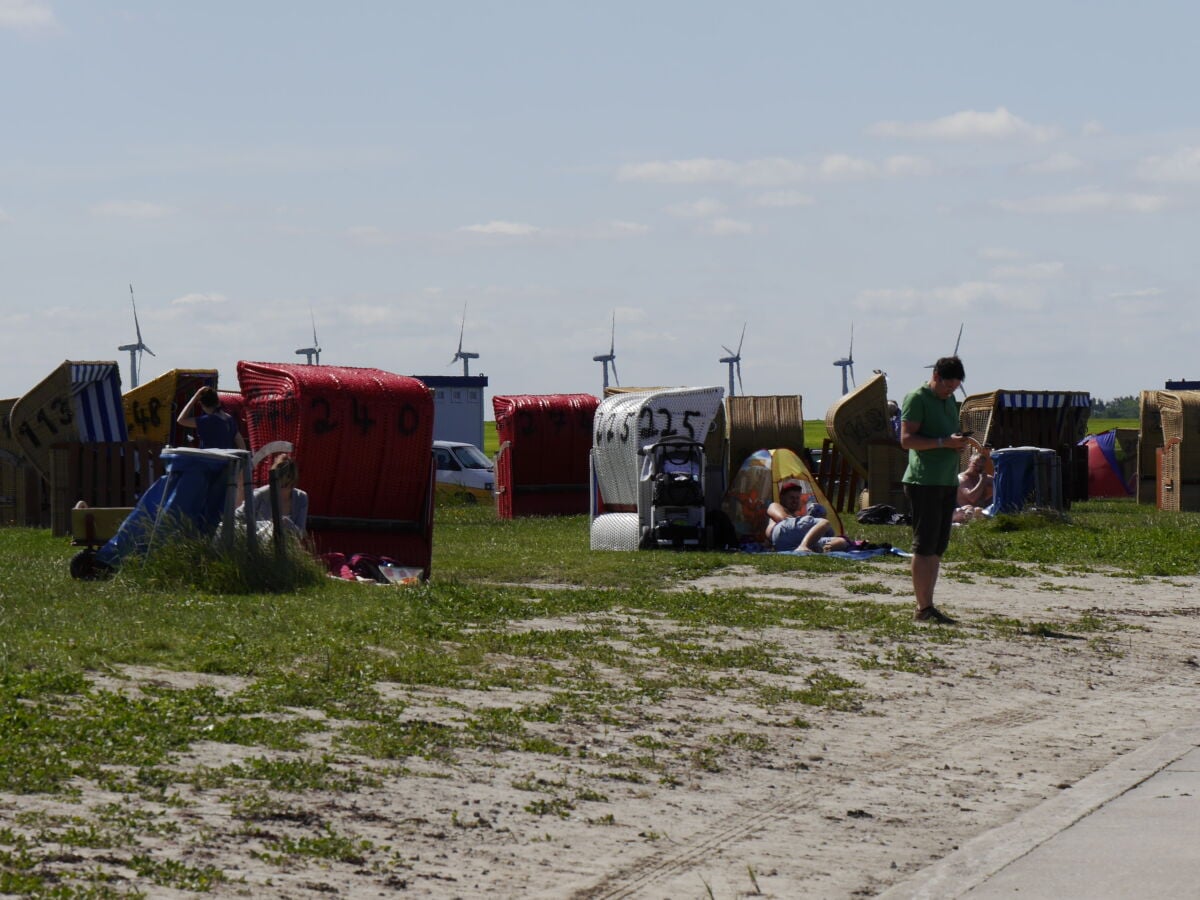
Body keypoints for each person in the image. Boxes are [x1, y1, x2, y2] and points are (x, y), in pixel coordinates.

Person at [900, 356, 968, 624]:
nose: (950, 391)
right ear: (936, 376)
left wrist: (958, 443)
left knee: (937, 548)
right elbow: (906, 440)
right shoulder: (916, 398)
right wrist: (943, 443)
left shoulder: (950, 400)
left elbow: (949, 436)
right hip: (923, 482)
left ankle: (928, 605)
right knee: (923, 546)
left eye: (955, 388)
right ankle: (922, 606)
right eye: (947, 386)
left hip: (947, 480)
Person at [765, 481, 850, 553]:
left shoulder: (797, 520)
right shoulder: (775, 505)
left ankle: (817, 549)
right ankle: (803, 546)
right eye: (791, 498)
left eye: (797, 498)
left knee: (842, 542)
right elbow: (783, 519)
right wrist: (812, 522)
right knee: (824, 522)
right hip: (782, 532)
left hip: (790, 543)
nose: (795, 501)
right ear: (782, 498)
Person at [236, 453, 308, 537]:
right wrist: (268, 525)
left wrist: (287, 524)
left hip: (288, 546)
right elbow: (236, 517)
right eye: (280, 485)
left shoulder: (301, 497)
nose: (283, 490)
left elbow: (301, 533)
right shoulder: (260, 494)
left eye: (288, 485)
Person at [177, 386, 245, 450]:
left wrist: (194, 397)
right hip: (226, 460)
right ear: (218, 401)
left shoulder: (206, 420)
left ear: (203, 405)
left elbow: (180, 420)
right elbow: (240, 443)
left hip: (209, 461)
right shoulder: (229, 419)